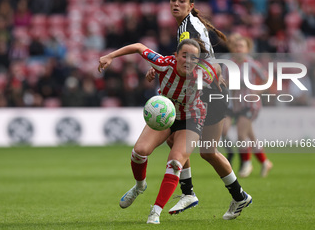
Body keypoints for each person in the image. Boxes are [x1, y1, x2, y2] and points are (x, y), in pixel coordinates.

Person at [98, 39, 239, 224]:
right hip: (166, 116)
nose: (189, 60)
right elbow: (140, 47)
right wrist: (110, 56)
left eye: (194, 58)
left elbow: (216, 68)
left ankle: (155, 212)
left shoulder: (204, 72)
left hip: (192, 119)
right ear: (175, 56)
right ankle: (139, 186)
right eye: (184, 56)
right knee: (139, 152)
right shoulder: (164, 64)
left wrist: (218, 80)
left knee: (174, 162)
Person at [146, 0, 252, 218]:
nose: (175, 4)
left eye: (181, 0)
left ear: (190, 6)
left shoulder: (187, 29)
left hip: (207, 93)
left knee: (202, 148)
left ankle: (198, 193)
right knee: (186, 141)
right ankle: (234, 196)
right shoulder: (188, 24)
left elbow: (194, 58)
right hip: (206, 90)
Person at [225, 36, 273, 178]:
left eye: (242, 46)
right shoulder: (228, 65)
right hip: (237, 105)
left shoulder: (252, 64)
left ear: (247, 49)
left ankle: (246, 163)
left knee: (241, 134)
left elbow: (267, 79)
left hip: (251, 105)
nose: (239, 49)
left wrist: (257, 90)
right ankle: (265, 162)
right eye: (236, 46)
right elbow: (224, 83)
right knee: (251, 137)